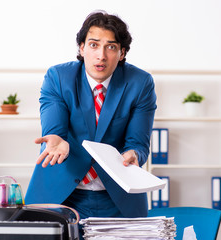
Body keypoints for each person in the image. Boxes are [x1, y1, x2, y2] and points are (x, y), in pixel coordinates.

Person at [25, 10, 157, 228]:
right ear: (82, 48)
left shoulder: (140, 83)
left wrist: (134, 154)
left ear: (122, 53)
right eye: (94, 45)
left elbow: (139, 143)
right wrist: (57, 139)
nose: (101, 55)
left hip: (119, 197)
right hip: (62, 194)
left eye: (111, 47)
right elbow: (54, 128)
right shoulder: (58, 77)